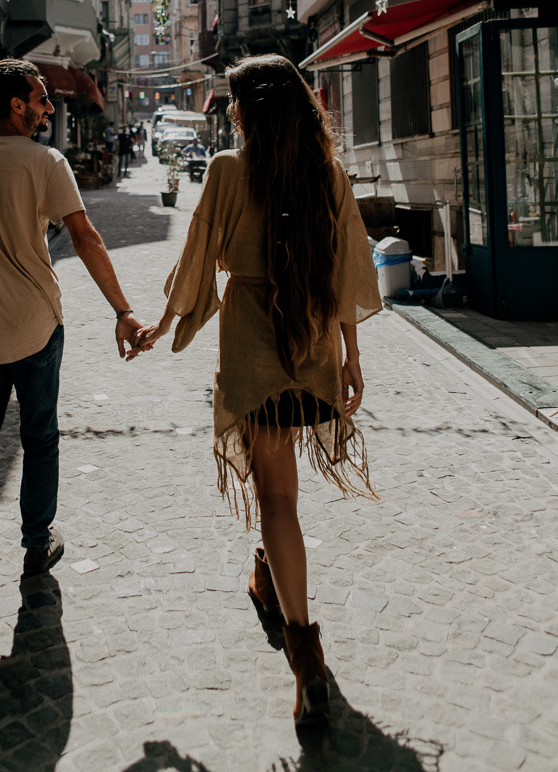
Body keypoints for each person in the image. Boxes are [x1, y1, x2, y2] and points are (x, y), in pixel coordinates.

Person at [135, 55, 382, 726]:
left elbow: (196, 258)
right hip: (309, 351)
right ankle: (267, 579)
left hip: (251, 351)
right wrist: (351, 355)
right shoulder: (325, 173)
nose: (231, 113)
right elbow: (349, 267)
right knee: (284, 501)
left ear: (248, 110)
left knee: (274, 498)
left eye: (234, 104)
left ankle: (306, 657)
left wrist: (162, 324)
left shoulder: (225, 171)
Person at [0, 58, 145, 646]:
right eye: (41, 100)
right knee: (40, 437)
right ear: (15, 105)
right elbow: (85, 236)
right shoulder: (47, 163)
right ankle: (35, 545)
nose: (48, 108)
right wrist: (123, 309)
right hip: (37, 327)